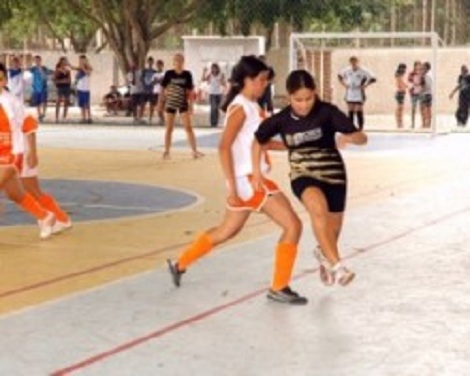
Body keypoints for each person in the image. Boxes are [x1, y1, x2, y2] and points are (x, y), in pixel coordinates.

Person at [167, 56, 307, 305]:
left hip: (246, 181)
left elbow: (261, 143)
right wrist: (233, 187)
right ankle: (279, 286)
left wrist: (293, 145)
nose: (265, 84)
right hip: (249, 181)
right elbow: (223, 148)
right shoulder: (241, 108)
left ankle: (180, 263)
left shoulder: (252, 106)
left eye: (266, 80)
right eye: (261, 80)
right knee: (293, 226)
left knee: (226, 231)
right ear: (246, 80)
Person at [253, 70, 368, 286]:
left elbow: (363, 139)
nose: (304, 105)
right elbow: (259, 141)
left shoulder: (328, 112)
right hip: (303, 174)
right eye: (298, 100)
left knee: (331, 233)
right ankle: (338, 267)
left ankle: (324, 256)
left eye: (308, 99)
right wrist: (256, 172)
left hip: (334, 175)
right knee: (318, 210)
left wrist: (350, 136)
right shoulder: (281, 119)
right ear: (289, 97)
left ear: (314, 94)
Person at [0, 63, 56, 239]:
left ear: (4, 80)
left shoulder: (12, 102)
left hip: (12, 153)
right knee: (15, 194)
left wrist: (32, 152)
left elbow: (29, 125)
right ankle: (45, 216)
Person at [160, 53, 204, 159]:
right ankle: (166, 151)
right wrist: (161, 102)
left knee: (188, 127)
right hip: (170, 102)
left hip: (183, 102)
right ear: (173, 62)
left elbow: (189, 91)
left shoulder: (187, 74)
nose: (178, 62)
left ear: (183, 62)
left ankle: (194, 151)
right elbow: (163, 88)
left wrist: (191, 105)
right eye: (176, 60)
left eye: (180, 60)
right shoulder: (169, 73)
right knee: (169, 128)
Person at [338, 56, 376, 131]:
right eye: (352, 62)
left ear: (358, 62)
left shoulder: (363, 71)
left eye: (355, 62)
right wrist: (344, 84)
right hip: (350, 92)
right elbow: (339, 76)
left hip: (359, 93)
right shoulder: (347, 70)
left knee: (358, 110)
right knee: (350, 110)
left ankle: (360, 127)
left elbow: (373, 78)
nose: (353, 64)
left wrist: (365, 85)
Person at [29, 55, 53, 121]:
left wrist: (42, 71)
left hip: (43, 88)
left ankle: (44, 113)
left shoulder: (44, 68)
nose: (37, 62)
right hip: (36, 88)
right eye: (35, 61)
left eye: (38, 60)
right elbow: (27, 71)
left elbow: (49, 74)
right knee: (37, 103)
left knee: (44, 102)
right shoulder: (33, 69)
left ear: (40, 60)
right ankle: (39, 114)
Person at [202, 63, 226, 127]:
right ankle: (212, 123)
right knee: (213, 108)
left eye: (215, 68)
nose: (214, 69)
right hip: (212, 94)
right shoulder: (210, 75)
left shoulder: (221, 75)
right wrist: (204, 72)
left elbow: (224, 84)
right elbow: (203, 80)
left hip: (219, 94)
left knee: (216, 109)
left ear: (217, 68)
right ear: (211, 69)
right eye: (213, 68)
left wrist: (221, 81)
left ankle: (216, 123)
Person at [74, 55, 93, 124]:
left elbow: (88, 73)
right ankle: (83, 118)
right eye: (80, 60)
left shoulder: (88, 68)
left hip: (86, 89)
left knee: (87, 104)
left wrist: (83, 67)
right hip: (80, 88)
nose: (81, 62)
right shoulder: (79, 70)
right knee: (81, 105)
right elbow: (76, 77)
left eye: (83, 60)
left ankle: (89, 117)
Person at [53, 57, 72, 123]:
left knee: (66, 102)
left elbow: (69, 80)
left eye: (65, 61)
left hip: (67, 87)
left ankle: (64, 116)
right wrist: (62, 81)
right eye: (63, 61)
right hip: (60, 87)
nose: (65, 63)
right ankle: (56, 117)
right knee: (58, 101)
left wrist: (67, 81)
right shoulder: (57, 70)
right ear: (61, 62)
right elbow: (55, 80)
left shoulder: (68, 70)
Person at [408, 61, 423, 129]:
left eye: (420, 65)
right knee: (413, 108)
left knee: (421, 108)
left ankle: (423, 123)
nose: (419, 67)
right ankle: (413, 124)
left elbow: (423, 83)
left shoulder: (422, 73)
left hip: (420, 92)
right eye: (418, 65)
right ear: (415, 66)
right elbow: (409, 81)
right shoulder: (411, 74)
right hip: (413, 93)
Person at [152, 59, 165, 125]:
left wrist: (158, 80)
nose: (159, 66)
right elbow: (153, 82)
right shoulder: (155, 74)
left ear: (162, 65)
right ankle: (161, 118)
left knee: (161, 107)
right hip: (155, 92)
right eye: (158, 65)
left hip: (162, 92)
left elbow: (165, 82)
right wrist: (159, 80)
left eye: (160, 65)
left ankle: (162, 119)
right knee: (157, 107)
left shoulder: (165, 73)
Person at [420, 62, 433, 129]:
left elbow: (427, 86)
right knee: (423, 109)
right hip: (425, 94)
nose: (422, 69)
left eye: (423, 68)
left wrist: (421, 87)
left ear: (427, 68)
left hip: (427, 94)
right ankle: (424, 124)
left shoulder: (427, 76)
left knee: (427, 110)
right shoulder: (425, 75)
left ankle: (428, 125)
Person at [395, 63, 407, 129]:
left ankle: (400, 122)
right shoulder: (399, 76)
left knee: (400, 108)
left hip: (401, 93)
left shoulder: (400, 76)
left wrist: (405, 86)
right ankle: (399, 122)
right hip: (400, 93)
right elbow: (399, 84)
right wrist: (404, 86)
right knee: (400, 108)